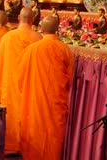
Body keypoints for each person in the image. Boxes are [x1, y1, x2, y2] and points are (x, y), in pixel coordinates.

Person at [18, 16, 73, 160]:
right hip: (56, 103)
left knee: (34, 132)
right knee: (53, 137)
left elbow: (21, 76)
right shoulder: (65, 50)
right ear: (57, 29)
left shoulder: (31, 50)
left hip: (34, 101)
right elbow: (70, 78)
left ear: (42, 29)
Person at [0, 7, 42, 154]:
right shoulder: (38, 38)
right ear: (33, 20)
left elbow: (0, 62)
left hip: (10, 81)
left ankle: (10, 145)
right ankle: (27, 145)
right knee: (27, 111)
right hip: (30, 83)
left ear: (18, 19)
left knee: (11, 110)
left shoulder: (7, 37)